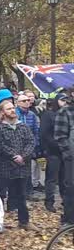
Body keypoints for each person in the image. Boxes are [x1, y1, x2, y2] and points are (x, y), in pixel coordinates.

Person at [0, 100, 37, 231]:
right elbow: (1, 144)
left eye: (13, 108)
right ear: (2, 112)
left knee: (21, 195)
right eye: (9, 109)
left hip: (22, 167)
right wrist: (13, 156)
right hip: (4, 167)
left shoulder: (23, 126)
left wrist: (23, 156)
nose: (12, 110)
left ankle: (24, 221)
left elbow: (31, 142)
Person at [42, 96, 67, 213]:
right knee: (52, 178)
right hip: (54, 152)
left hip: (67, 152)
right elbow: (45, 134)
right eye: (62, 100)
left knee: (65, 178)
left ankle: (66, 200)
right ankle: (49, 201)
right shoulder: (49, 115)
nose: (65, 103)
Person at [15, 94, 42, 198]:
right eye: (24, 100)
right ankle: (18, 193)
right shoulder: (15, 114)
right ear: (18, 103)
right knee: (17, 171)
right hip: (17, 147)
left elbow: (36, 131)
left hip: (29, 147)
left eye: (28, 100)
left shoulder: (32, 115)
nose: (27, 102)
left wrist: (35, 144)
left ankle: (29, 192)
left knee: (28, 170)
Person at [53, 95, 74, 226]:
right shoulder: (65, 112)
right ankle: (69, 220)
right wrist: (70, 154)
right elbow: (60, 136)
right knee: (71, 189)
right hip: (72, 158)